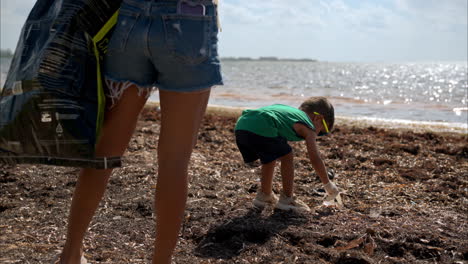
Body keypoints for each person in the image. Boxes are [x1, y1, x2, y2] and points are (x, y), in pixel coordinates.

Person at [55, 0, 222, 263]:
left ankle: (70, 254)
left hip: (130, 16)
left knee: (105, 149)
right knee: (174, 161)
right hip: (190, 17)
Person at [234, 97, 339, 213]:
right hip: (263, 124)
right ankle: (287, 199)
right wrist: (328, 184)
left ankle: (264, 195)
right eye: (322, 131)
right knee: (287, 155)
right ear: (318, 118)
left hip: (242, 126)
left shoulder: (289, 114)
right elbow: (315, 158)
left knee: (270, 156)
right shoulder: (308, 126)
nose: (318, 134)